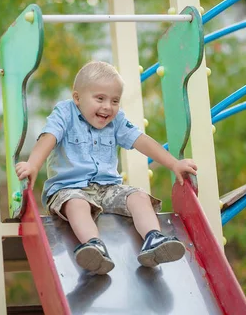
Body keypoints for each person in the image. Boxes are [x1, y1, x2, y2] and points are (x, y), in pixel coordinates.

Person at [15, 61, 198, 275]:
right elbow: (50, 137)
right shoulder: (65, 113)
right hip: (69, 189)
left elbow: (141, 140)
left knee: (139, 196)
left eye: (114, 101)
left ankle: (153, 239)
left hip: (108, 187)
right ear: (77, 98)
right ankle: (94, 246)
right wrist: (34, 164)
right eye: (99, 98)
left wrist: (173, 163)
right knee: (77, 204)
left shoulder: (117, 120)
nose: (107, 107)